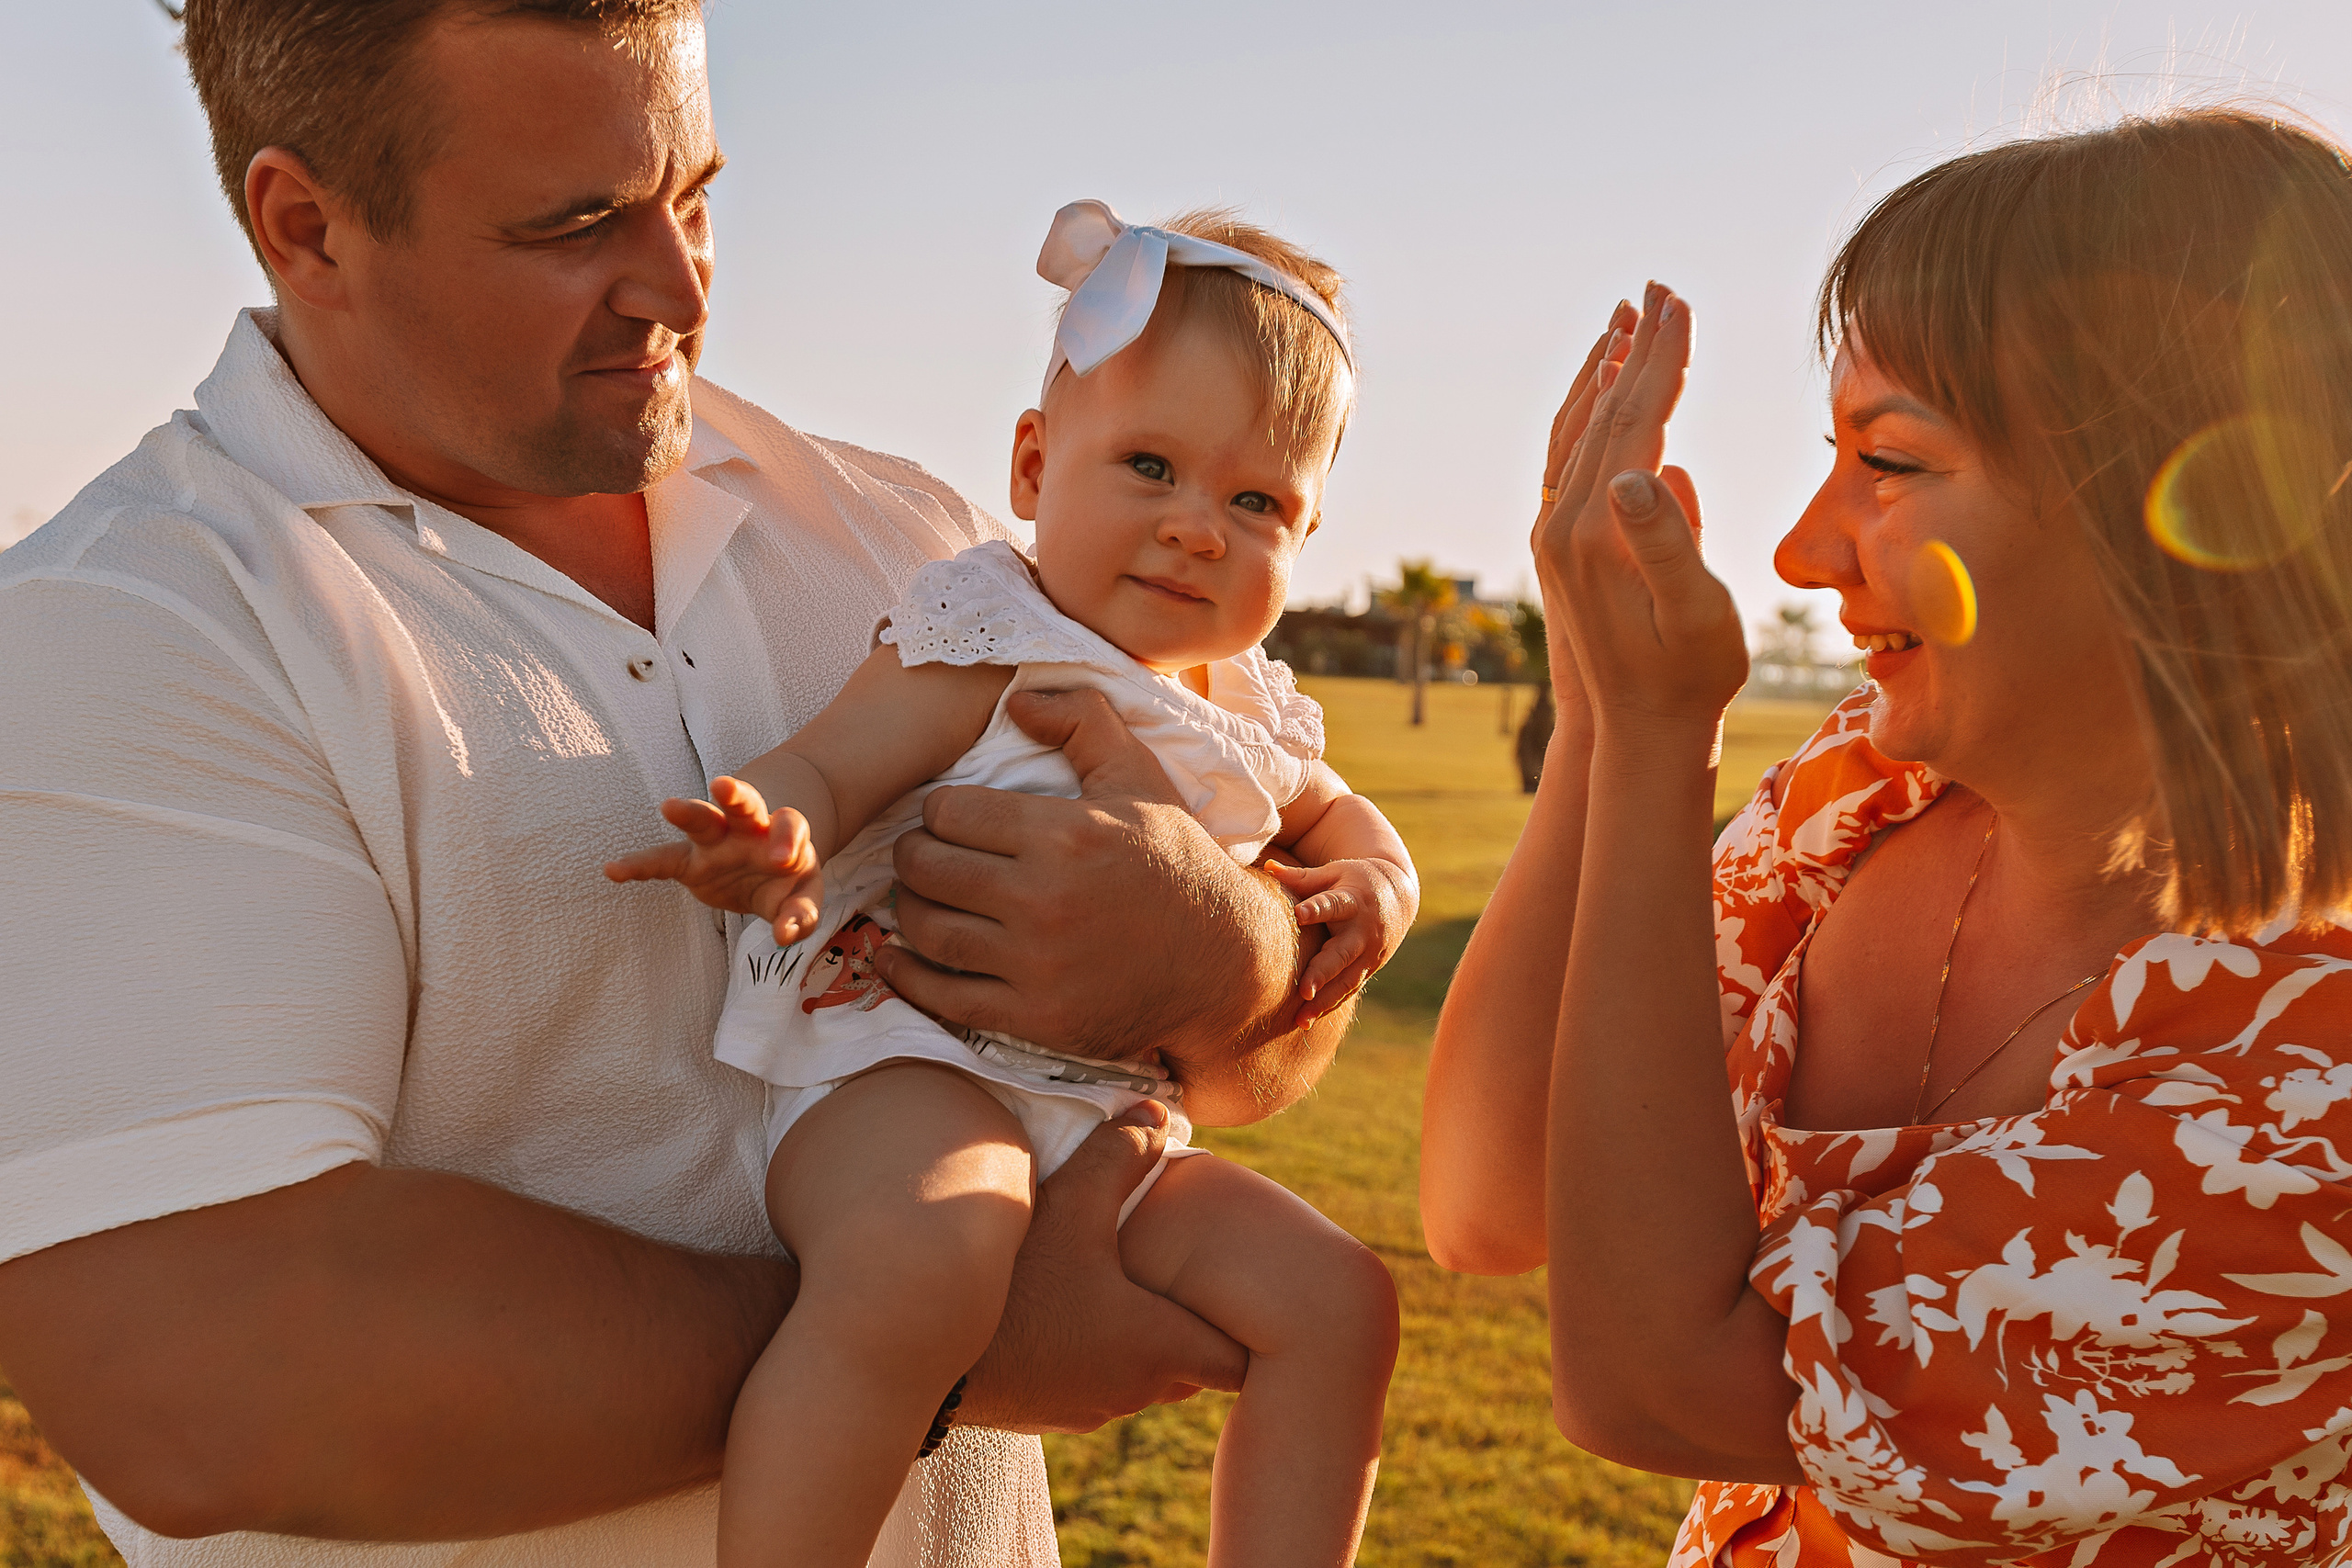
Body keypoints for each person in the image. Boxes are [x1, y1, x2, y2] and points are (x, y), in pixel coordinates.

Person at [0, 4, 1363, 1564]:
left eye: (696, 195)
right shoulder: (128, 627)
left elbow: (1250, 1060)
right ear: (307, 227)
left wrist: (1231, 952)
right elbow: (204, 1382)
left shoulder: (903, 535)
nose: (681, 285)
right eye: (579, 224)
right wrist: (937, 1332)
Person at [1421, 107, 2352, 1568]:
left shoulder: (2313, 1062)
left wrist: (1665, 757)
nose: (1801, 548)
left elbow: (1666, 1383)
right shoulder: (1860, 797)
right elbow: (1487, 1200)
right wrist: (1604, 725)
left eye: (1894, 463)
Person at [607, 202, 1408, 1568]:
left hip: (1108, 1117)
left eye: (1256, 502)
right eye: (1149, 465)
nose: (1198, 529)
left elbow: (1348, 829)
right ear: (1035, 466)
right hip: (905, 1068)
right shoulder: (984, 634)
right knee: (925, 1262)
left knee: (1339, 1302)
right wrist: (773, 831)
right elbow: (828, 763)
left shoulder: (1252, 713)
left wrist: (1378, 890)